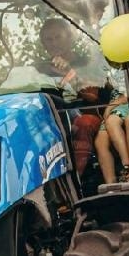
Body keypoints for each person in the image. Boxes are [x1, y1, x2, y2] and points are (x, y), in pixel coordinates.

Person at [35, 18, 110, 175]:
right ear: (44, 44)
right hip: (50, 117)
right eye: (49, 39)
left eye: (58, 37)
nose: (54, 43)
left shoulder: (87, 61)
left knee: (84, 123)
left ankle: (75, 181)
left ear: (69, 38)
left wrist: (71, 74)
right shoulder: (38, 69)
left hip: (88, 114)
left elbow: (95, 96)